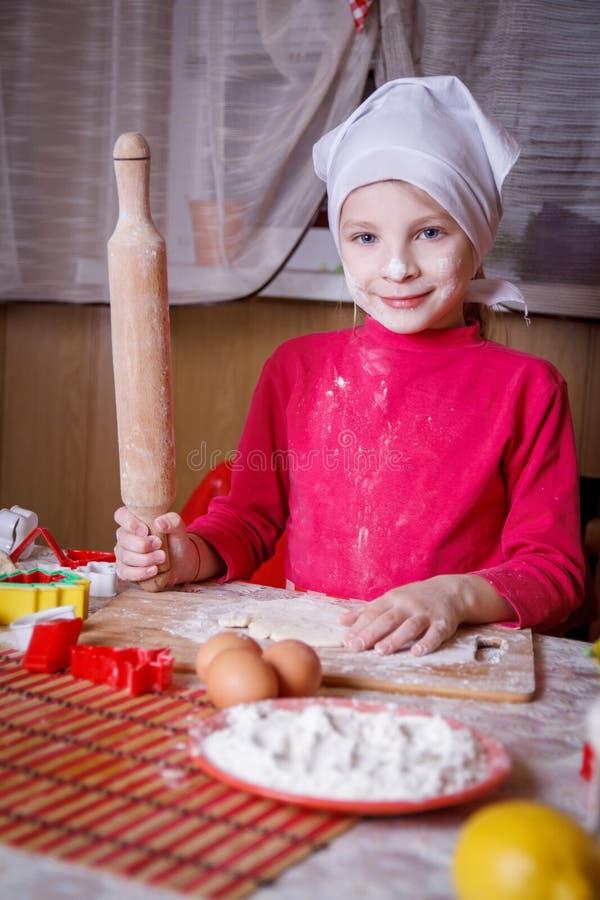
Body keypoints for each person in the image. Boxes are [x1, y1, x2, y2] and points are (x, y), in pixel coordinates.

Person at [114, 75, 585, 656]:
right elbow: (247, 520)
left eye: (430, 232)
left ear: (477, 239)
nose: (396, 267)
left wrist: (455, 597)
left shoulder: (527, 388)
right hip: (320, 655)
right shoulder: (296, 370)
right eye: (365, 237)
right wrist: (187, 554)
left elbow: (555, 573)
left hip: (450, 666)